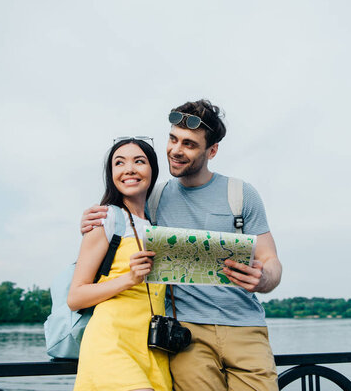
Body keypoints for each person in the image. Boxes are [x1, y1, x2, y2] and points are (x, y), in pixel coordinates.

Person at [81, 100, 282, 391]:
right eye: (173, 139)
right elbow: (120, 223)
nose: (176, 150)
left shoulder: (241, 194)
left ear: (211, 151)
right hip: (186, 335)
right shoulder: (154, 198)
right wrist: (91, 220)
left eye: (189, 144)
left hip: (246, 329)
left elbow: (272, 261)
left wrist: (264, 278)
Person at [68, 137, 171, 391]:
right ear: (111, 173)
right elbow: (76, 296)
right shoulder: (105, 218)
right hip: (111, 341)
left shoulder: (158, 224)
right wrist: (129, 279)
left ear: (152, 170)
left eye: (139, 161)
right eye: (119, 163)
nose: (129, 169)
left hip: (154, 348)